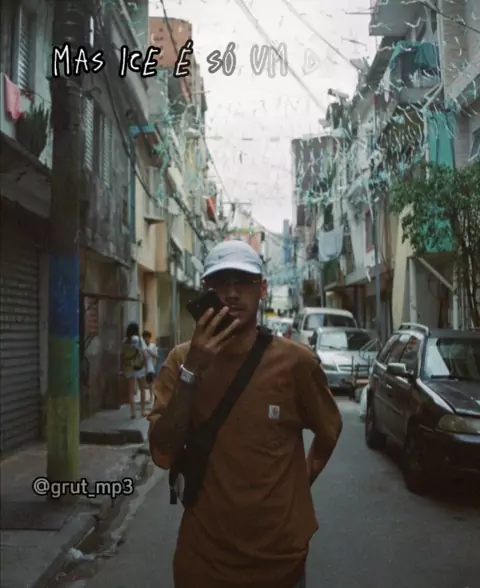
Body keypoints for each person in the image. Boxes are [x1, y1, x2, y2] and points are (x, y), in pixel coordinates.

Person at [148, 240, 343, 588]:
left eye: (243, 282)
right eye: (221, 283)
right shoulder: (181, 361)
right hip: (204, 562)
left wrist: (298, 484)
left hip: (279, 561)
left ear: (263, 289)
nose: (232, 293)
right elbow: (162, 453)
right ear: (206, 290)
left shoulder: (296, 363)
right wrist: (193, 371)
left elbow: (329, 430)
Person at [122, 322, 149, 419]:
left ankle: (133, 412)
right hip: (139, 367)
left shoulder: (125, 342)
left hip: (129, 368)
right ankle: (142, 410)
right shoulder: (140, 340)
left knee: (131, 391)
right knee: (142, 389)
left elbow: (122, 355)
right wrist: (147, 367)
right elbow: (145, 354)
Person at [143, 329, 158, 404]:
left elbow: (155, 355)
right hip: (143, 368)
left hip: (150, 367)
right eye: (144, 337)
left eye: (147, 337)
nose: (146, 339)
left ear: (149, 337)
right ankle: (148, 398)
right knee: (145, 384)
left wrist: (148, 350)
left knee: (151, 383)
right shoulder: (142, 347)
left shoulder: (152, 346)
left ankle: (152, 397)